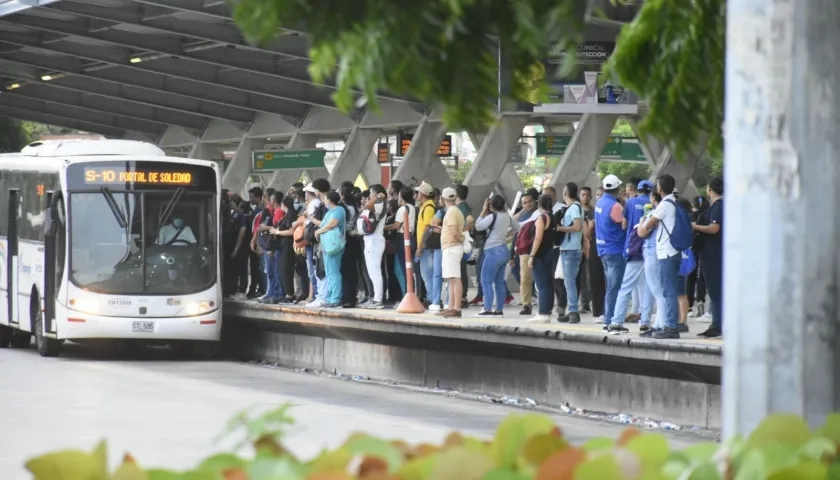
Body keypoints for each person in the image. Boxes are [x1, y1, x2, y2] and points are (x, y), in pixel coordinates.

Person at [637, 174, 682, 339]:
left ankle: (670, 327)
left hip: (666, 252)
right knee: (667, 290)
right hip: (672, 251)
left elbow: (643, 230)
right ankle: (664, 324)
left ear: (659, 189)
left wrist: (643, 222)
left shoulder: (664, 206)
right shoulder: (674, 203)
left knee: (667, 290)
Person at [609, 180, 655, 334]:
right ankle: (645, 322)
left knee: (626, 287)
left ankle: (616, 322)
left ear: (638, 190)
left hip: (634, 249)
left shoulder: (630, 203)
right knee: (647, 287)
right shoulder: (654, 203)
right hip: (649, 250)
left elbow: (624, 225)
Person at [475, 194, 520, 316]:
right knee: (499, 282)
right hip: (503, 250)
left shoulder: (492, 216)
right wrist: (507, 236)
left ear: (491, 205)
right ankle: (499, 309)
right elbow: (518, 228)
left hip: (493, 251)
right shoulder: (508, 217)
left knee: (485, 281)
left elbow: (478, 226)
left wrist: (483, 210)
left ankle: (487, 308)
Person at [594, 175, 627, 333]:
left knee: (610, 286)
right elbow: (624, 225)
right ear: (618, 189)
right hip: (615, 250)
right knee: (615, 287)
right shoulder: (616, 207)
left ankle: (609, 319)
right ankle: (610, 321)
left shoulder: (599, 202)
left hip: (602, 249)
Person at [694, 177, 723, 338]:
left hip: (714, 254)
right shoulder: (715, 206)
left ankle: (717, 325)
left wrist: (695, 226)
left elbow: (714, 228)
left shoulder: (718, 206)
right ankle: (716, 322)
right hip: (712, 252)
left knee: (715, 291)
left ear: (710, 189)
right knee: (715, 291)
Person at [556, 183, 584, 324]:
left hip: (571, 249)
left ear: (565, 193)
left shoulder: (574, 208)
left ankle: (573, 311)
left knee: (570, 282)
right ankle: (571, 309)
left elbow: (578, 226)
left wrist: (560, 228)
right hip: (569, 248)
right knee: (569, 282)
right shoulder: (574, 207)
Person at [526, 194, 556, 324]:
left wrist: (531, 255)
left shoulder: (541, 218)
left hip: (540, 255)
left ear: (539, 204)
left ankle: (542, 313)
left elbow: (538, 238)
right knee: (548, 284)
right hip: (550, 252)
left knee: (542, 285)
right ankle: (547, 311)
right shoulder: (553, 217)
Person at [314, 191, 346, 309]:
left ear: (330, 199)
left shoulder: (338, 210)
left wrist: (319, 231)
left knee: (333, 271)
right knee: (329, 271)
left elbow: (332, 224)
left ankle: (336, 298)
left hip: (334, 245)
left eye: (325, 198)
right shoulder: (329, 212)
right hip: (327, 245)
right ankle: (330, 296)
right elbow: (323, 224)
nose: (324, 201)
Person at [438, 187, 465, 318]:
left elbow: (454, 232)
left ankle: (456, 308)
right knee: (452, 279)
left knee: (455, 278)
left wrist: (461, 240)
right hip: (451, 248)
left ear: (443, 199)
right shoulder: (455, 210)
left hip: (452, 247)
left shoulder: (451, 212)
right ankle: (451, 307)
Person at [360, 184, 388, 309]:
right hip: (370, 240)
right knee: (372, 272)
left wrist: (376, 197)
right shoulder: (377, 202)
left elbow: (367, 206)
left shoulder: (379, 203)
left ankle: (378, 300)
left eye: (371, 193)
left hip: (375, 241)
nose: (369, 196)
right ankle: (376, 298)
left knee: (375, 271)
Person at [414, 182, 439, 310]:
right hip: (425, 246)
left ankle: (432, 299)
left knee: (428, 275)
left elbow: (427, 229)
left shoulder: (428, 208)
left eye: (418, 192)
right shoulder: (426, 207)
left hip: (425, 247)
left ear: (422, 194)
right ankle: (432, 298)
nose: (417, 195)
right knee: (428, 275)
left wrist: (420, 247)